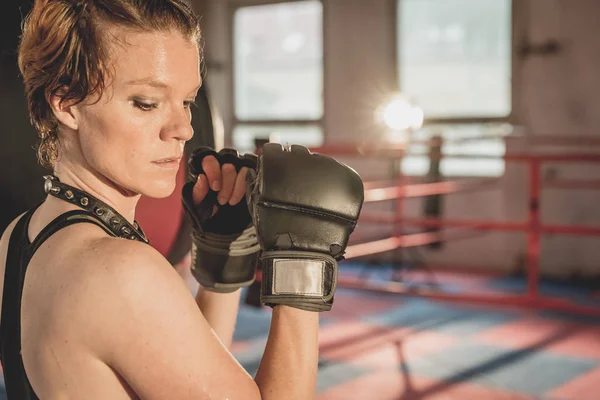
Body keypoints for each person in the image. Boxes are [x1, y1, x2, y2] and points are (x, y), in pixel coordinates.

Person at [0, 1, 364, 399]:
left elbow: (175, 375)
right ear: (66, 103)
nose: (183, 128)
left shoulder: (18, 237)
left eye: (187, 101)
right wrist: (302, 261)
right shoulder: (121, 271)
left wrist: (222, 262)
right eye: (146, 103)